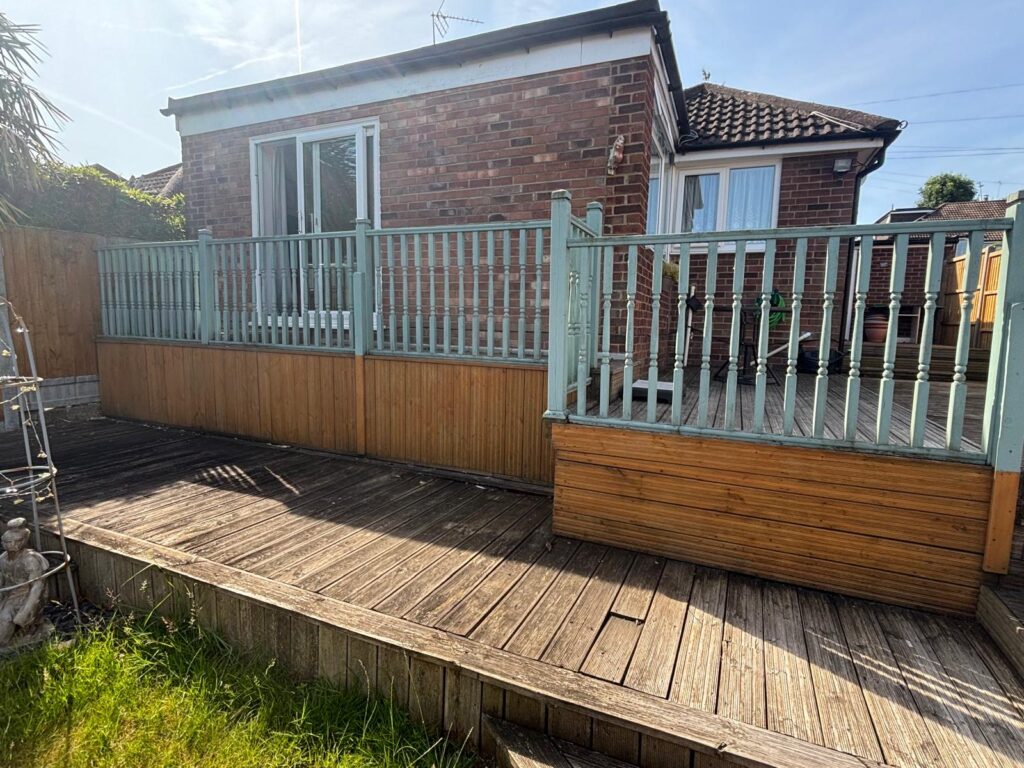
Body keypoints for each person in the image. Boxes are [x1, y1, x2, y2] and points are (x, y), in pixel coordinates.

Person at [0, 517, 48, 645]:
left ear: (21, 541)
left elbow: (37, 587)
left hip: (23, 596)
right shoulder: (3, 558)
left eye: (13, 541)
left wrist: (26, 610)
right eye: (6, 541)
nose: (9, 545)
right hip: (7, 595)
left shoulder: (30, 560)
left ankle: (27, 631)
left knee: (4, 621)